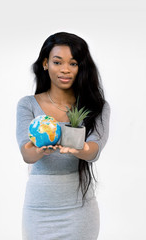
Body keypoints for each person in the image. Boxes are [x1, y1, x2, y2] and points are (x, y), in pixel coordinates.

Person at [16, 32, 110, 240]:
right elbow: (26, 153)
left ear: (81, 67)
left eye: (73, 63)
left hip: (79, 211)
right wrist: (39, 150)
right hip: (39, 210)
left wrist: (81, 149)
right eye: (58, 62)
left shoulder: (96, 107)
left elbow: (94, 149)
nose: (65, 69)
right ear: (45, 64)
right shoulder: (28, 105)